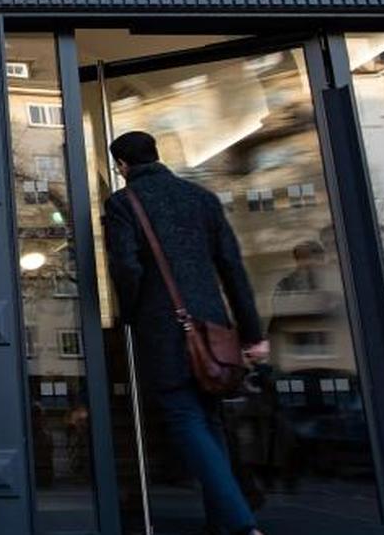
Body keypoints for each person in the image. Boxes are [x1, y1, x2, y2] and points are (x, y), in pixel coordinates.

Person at [102, 131, 269, 535]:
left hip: (164, 328)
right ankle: (224, 523)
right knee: (210, 418)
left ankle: (242, 525)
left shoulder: (124, 203)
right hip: (213, 327)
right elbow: (232, 268)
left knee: (184, 417)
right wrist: (251, 334)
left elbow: (127, 268)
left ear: (122, 165)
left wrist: (130, 314)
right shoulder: (202, 199)